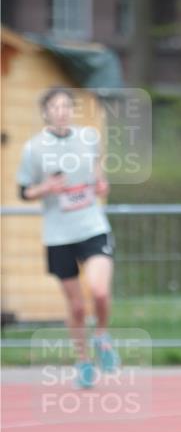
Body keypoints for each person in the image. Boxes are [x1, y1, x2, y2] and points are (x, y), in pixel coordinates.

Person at [17, 86, 119, 388]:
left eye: (66, 107)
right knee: (76, 306)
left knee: (99, 291)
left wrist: (102, 185)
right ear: (46, 112)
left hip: (92, 227)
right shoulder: (33, 149)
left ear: (72, 111)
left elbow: (100, 175)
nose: (62, 112)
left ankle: (102, 334)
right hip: (58, 234)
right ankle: (84, 361)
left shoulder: (89, 138)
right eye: (55, 107)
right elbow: (23, 191)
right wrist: (46, 188)